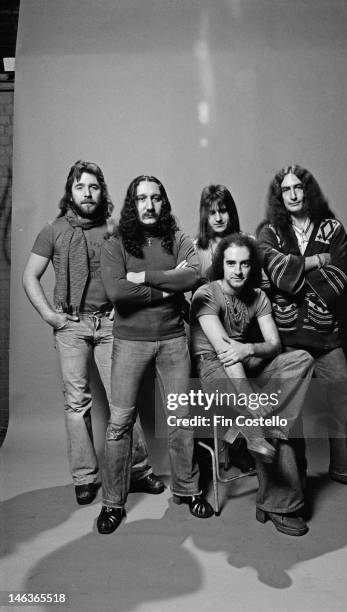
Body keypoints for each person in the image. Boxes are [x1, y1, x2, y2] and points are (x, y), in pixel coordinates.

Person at [22, 160, 163, 506]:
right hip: (70, 324)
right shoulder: (52, 231)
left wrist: (123, 306)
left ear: (102, 191)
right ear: (70, 192)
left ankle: (139, 470)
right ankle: (85, 477)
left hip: (110, 325)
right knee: (76, 404)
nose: (87, 193)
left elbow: (135, 272)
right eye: (80, 187)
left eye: (94, 187)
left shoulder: (115, 230)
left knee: (123, 402)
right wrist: (50, 316)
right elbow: (30, 277)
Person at [97, 174, 214, 534]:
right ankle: (112, 503)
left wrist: (144, 277)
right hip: (130, 342)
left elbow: (193, 277)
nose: (150, 205)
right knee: (119, 425)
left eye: (156, 198)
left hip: (173, 340)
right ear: (132, 204)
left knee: (181, 419)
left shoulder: (177, 238)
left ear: (164, 202)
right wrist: (166, 289)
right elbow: (118, 294)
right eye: (142, 199)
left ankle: (189, 489)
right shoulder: (115, 242)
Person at [256, 164, 347, 493]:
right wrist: (313, 263)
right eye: (286, 190)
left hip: (326, 332)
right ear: (279, 196)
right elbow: (270, 276)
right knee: (288, 407)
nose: (294, 194)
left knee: (343, 398)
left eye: (299, 188)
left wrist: (289, 278)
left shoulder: (332, 229)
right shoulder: (270, 232)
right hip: (286, 336)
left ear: (308, 191)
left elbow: (338, 278)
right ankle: (293, 475)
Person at [190, 233, 314, 536]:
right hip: (214, 370)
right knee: (273, 421)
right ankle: (279, 506)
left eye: (245, 264)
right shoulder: (205, 295)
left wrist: (249, 349)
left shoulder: (258, 296)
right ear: (222, 265)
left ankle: (255, 425)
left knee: (301, 359)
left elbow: (273, 344)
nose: (238, 271)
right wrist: (252, 404)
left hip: (246, 362)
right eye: (231, 263)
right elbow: (225, 355)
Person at [193, 184, 254, 473]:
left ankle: (240, 447)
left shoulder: (247, 243)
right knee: (218, 393)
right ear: (204, 215)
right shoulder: (197, 248)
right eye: (212, 212)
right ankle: (220, 452)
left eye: (223, 210)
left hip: (242, 332)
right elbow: (192, 296)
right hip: (208, 336)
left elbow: (260, 289)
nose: (218, 217)